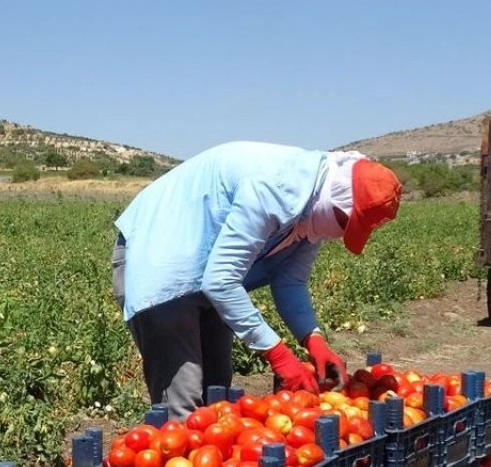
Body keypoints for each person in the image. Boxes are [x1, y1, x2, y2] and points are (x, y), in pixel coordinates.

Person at [112, 141, 402, 420]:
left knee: (217, 396)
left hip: (208, 272)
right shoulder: (273, 188)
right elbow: (221, 281)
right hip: (161, 259)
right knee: (183, 404)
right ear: (338, 198)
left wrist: (313, 339)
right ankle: (174, 465)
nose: (340, 233)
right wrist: (278, 354)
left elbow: (291, 282)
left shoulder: (314, 211)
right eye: (345, 223)